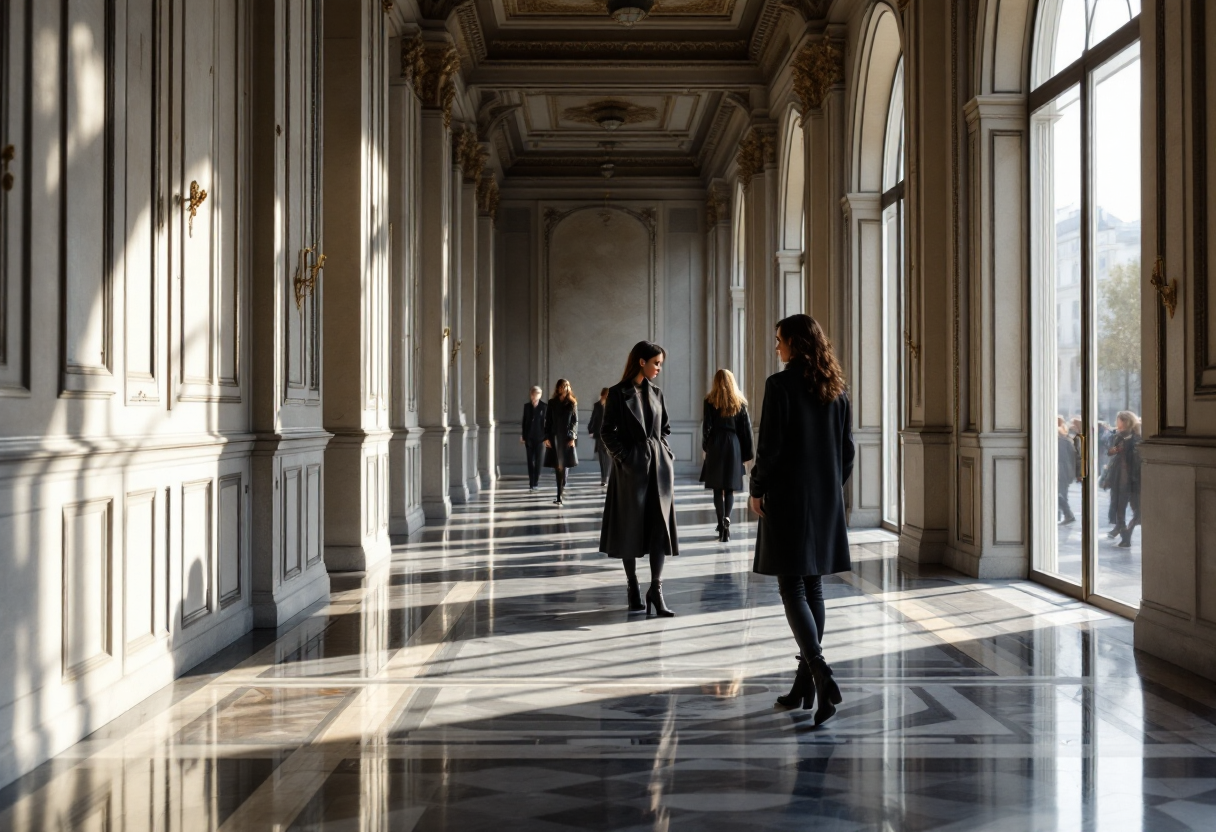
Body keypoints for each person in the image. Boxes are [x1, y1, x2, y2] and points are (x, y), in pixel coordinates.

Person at [750, 314, 854, 727]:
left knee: (792, 585)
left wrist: (757, 488)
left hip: (789, 498)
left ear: (794, 342)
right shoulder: (837, 388)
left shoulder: (779, 385)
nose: (776, 346)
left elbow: (770, 448)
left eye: (779, 339)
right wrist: (828, 486)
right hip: (825, 500)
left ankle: (820, 671)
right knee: (813, 586)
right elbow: (847, 452)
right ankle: (805, 684)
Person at [599, 340, 680, 617]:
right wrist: (624, 458)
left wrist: (664, 452)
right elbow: (607, 431)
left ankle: (656, 589)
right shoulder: (617, 393)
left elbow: (665, 427)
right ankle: (632, 584)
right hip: (630, 470)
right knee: (630, 527)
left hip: (659, 469)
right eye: (656, 363)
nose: (659, 368)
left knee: (659, 528)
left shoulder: (657, 392)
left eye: (660, 364)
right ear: (641, 361)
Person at [700, 369, 754, 542]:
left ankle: (720, 522)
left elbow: (706, 427)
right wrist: (747, 454)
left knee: (717, 488)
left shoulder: (709, 401)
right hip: (733, 444)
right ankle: (727, 519)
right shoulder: (739, 403)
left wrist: (706, 447)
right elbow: (746, 430)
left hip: (716, 444)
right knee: (729, 488)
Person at [1104, 410, 1142, 548]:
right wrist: (1116, 450)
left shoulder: (1136, 437)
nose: (1118, 423)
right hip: (1119, 475)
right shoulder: (1117, 435)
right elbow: (1109, 452)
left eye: (1119, 420)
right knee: (1119, 506)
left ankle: (1126, 532)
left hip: (1133, 476)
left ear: (1126, 421)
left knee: (1138, 509)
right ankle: (1122, 532)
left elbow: (1138, 456)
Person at [543, 379, 579, 505]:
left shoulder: (572, 403)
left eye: (565, 386)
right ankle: (559, 496)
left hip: (567, 438)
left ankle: (561, 489)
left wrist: (573, 437)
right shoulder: (552, 403)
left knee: (564, 467)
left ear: (568, 387)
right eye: (561, 386)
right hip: (555, 437)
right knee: (558, 466)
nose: (563, 388)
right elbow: (548, 421)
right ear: (557, 388)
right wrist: (546, 437)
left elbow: (574, 421)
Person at [520, 386, 547, 491]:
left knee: (538, 461)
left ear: (540, 395)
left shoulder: (544, 407)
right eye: (533, 395)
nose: (534, 397)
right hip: (529, 437)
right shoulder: (527, 406)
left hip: (540, 438)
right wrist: (523, 435)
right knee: (530, 461)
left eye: (536, 395)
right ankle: (531, 483)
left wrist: (546, 437)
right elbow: (524, 422)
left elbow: (547, 423)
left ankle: (536, 482)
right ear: (531, 395)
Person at [588, 388, 612, 487]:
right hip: (599, 434)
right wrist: (590, 430)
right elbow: (593, 418)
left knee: (608, 457)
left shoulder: (611, 405)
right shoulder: (597, 405)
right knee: (602, 456)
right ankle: (604, 478)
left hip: (609, 434)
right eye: (605, 395)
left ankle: (607, 477)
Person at [1057, 416, 1078, 525]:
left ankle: (1067, 514)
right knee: (1061, 494)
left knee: (1059, 494)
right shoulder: (1067, 440)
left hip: (1060, 471)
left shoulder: (1061, 441)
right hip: (1065, 471)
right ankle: (1064, 515)